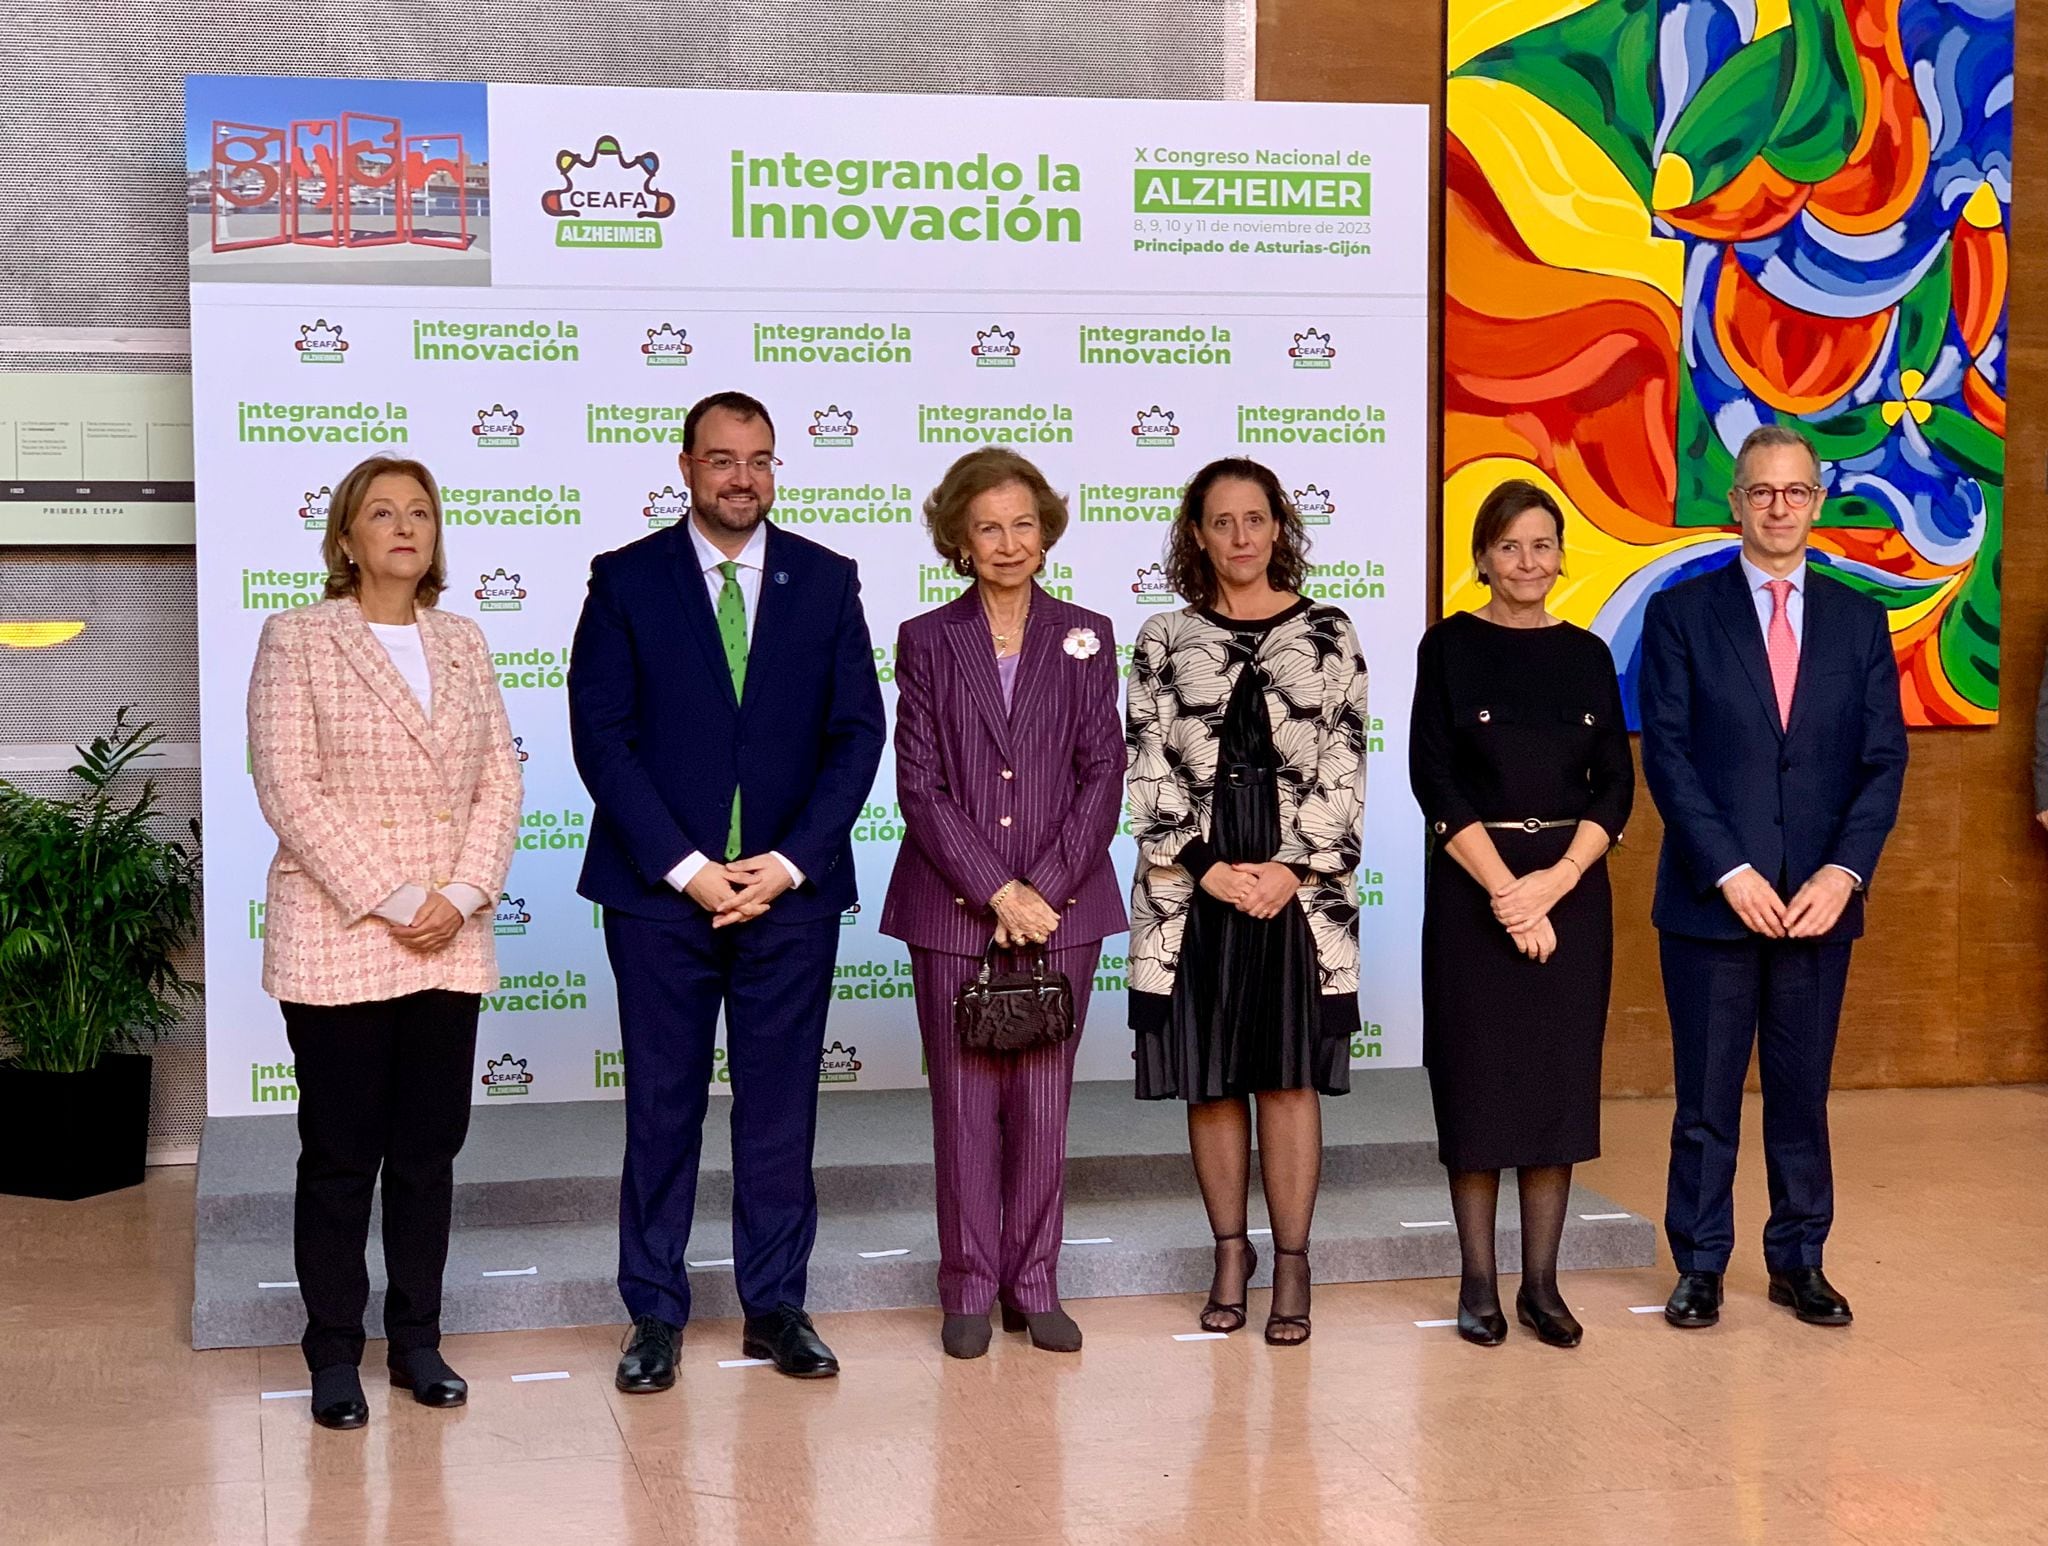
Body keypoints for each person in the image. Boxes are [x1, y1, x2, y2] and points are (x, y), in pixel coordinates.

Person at [568, 390, 885, 1388]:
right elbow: (601, 740)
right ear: (685, 467)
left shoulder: (827, 581)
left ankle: (776, 1306)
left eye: (758, 458)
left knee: (780, 1109)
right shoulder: (624, 580)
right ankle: (654, 1314)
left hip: (788, 896)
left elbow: (855, 737)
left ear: (773, 467)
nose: (740, 476)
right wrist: (692, 870)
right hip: (660, 898)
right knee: (662, 1108)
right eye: (720, 459)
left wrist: (787, 862)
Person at [246, 455, 523, 1430]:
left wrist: (458, 892)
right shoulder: (298, 638)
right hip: (341, 933)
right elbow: (289, 788)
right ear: (346, 538)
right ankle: (333, 1351)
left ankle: (416, 1340)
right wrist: (400, 895)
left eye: (420, 512)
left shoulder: (463, 639)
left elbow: (499, 781)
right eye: (382, 512)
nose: (404, 527)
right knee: (339, 1154)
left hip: (449, 933)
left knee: (426, 1152)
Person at [1640, 424, 1907, 1330]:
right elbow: (1669, 760)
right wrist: (1731, 871)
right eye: (1762, 492)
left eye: (1795, 492)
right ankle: (1701, 1264)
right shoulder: (1682, 613)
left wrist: (1843, 873)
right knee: (1705, 1102)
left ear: (1818, 502)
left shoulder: (1859, 619)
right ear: (1737, 503)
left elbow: (1882, 762)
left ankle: (1800, 1260)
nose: (1779, 507)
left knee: (1801, 1095)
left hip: (1818, 906)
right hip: (1714, 905)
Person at [880, 448, 1126, 1360]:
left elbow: (1105, 773)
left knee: (1044, 1103)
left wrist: (1043, 891)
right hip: (954, 908)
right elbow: (921, 785)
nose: (1008, 542)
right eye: (988, 526)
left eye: (1024, 523)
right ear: (958, 537)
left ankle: (1035, 1283)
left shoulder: (1090, 633)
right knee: (964, 1102)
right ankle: (970, 1285)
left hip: (1064, 910)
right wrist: (995, 889)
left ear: (1047, 530)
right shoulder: (926, 638)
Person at [1125, 456, 1370, 1347]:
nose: (1240, 537)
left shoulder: (1331, 633)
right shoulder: (1160, 638)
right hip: (1194, 897)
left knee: (1289, 1076)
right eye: (1221, 522)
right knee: (1212, 1079)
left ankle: (1294, 1261)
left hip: (1297, 897)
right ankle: (1231, 1251)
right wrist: (1208, 864)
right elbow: (1144, 765)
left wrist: (1291, 870)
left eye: (1255, 520)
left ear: (1279, 529)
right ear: (1197, 533)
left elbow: (1347, 764)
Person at [1408, 480, 1634, 1349]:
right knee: (1477, 1087)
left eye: (1542, 546)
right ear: (1482, 558)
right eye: (1509, 547)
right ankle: (1477, 1285)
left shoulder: (1587, 656)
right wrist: (1508, 891)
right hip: (1474, 894)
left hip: (1572, 897)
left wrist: (1554, 884)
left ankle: (1542, 1285)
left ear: (1560, 558)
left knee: (1554, 1089)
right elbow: (1435, 778)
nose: (1527, 563)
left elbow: (1615, 782)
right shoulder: (1450, 647)